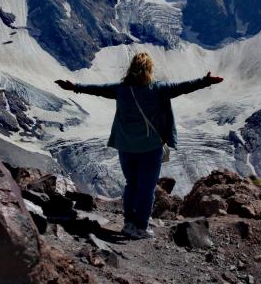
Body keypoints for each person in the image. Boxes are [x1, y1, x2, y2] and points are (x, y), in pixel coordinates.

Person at [55, 52, 224, 239]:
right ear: (149, 69)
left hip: (125, 147)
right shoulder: (158, 89)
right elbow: (183, 87)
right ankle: (141, 227)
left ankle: (129, 223)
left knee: (131, 185)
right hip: (150, 148)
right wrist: (206, 81)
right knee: (146, 188)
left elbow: (97, 89)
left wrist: (74, 87)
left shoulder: (121, 89)